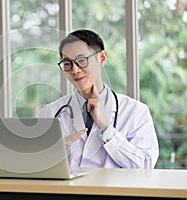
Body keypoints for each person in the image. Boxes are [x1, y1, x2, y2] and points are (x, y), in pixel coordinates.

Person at [37, 29, 159, 169]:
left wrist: (107, 128)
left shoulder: (136, 111)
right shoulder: (50, 112)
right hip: (67, 191)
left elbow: (145, 165)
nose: (74, 70)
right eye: (67, 63)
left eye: (81, 61)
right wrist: (52, 151)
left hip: (112, 191)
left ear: (101, 58)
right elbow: (36, 167)